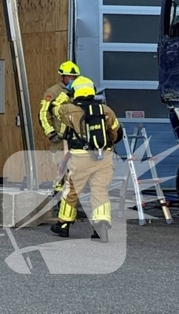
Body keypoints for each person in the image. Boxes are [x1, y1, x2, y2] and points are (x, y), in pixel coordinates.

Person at [51, 77, 124, 242]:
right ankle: (101, 225)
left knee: (71, 190)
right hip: (104, 156)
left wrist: (63, 96)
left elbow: (54, 109)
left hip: (80, 157)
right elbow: (118, 133)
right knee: (100, 190)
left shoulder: (69, 110)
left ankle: (63, 225)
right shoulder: (106, 110)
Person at [39, 61, 80, 191]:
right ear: (62, 76)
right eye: (69, 76)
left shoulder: (78, 91)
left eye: (74, 77)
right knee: (59, 172)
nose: (72, 80)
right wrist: (51, 133)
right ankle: (58, 202)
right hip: (60, 140)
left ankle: (70, 203)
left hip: (75, 139)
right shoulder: (53, 92)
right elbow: (43, 113)